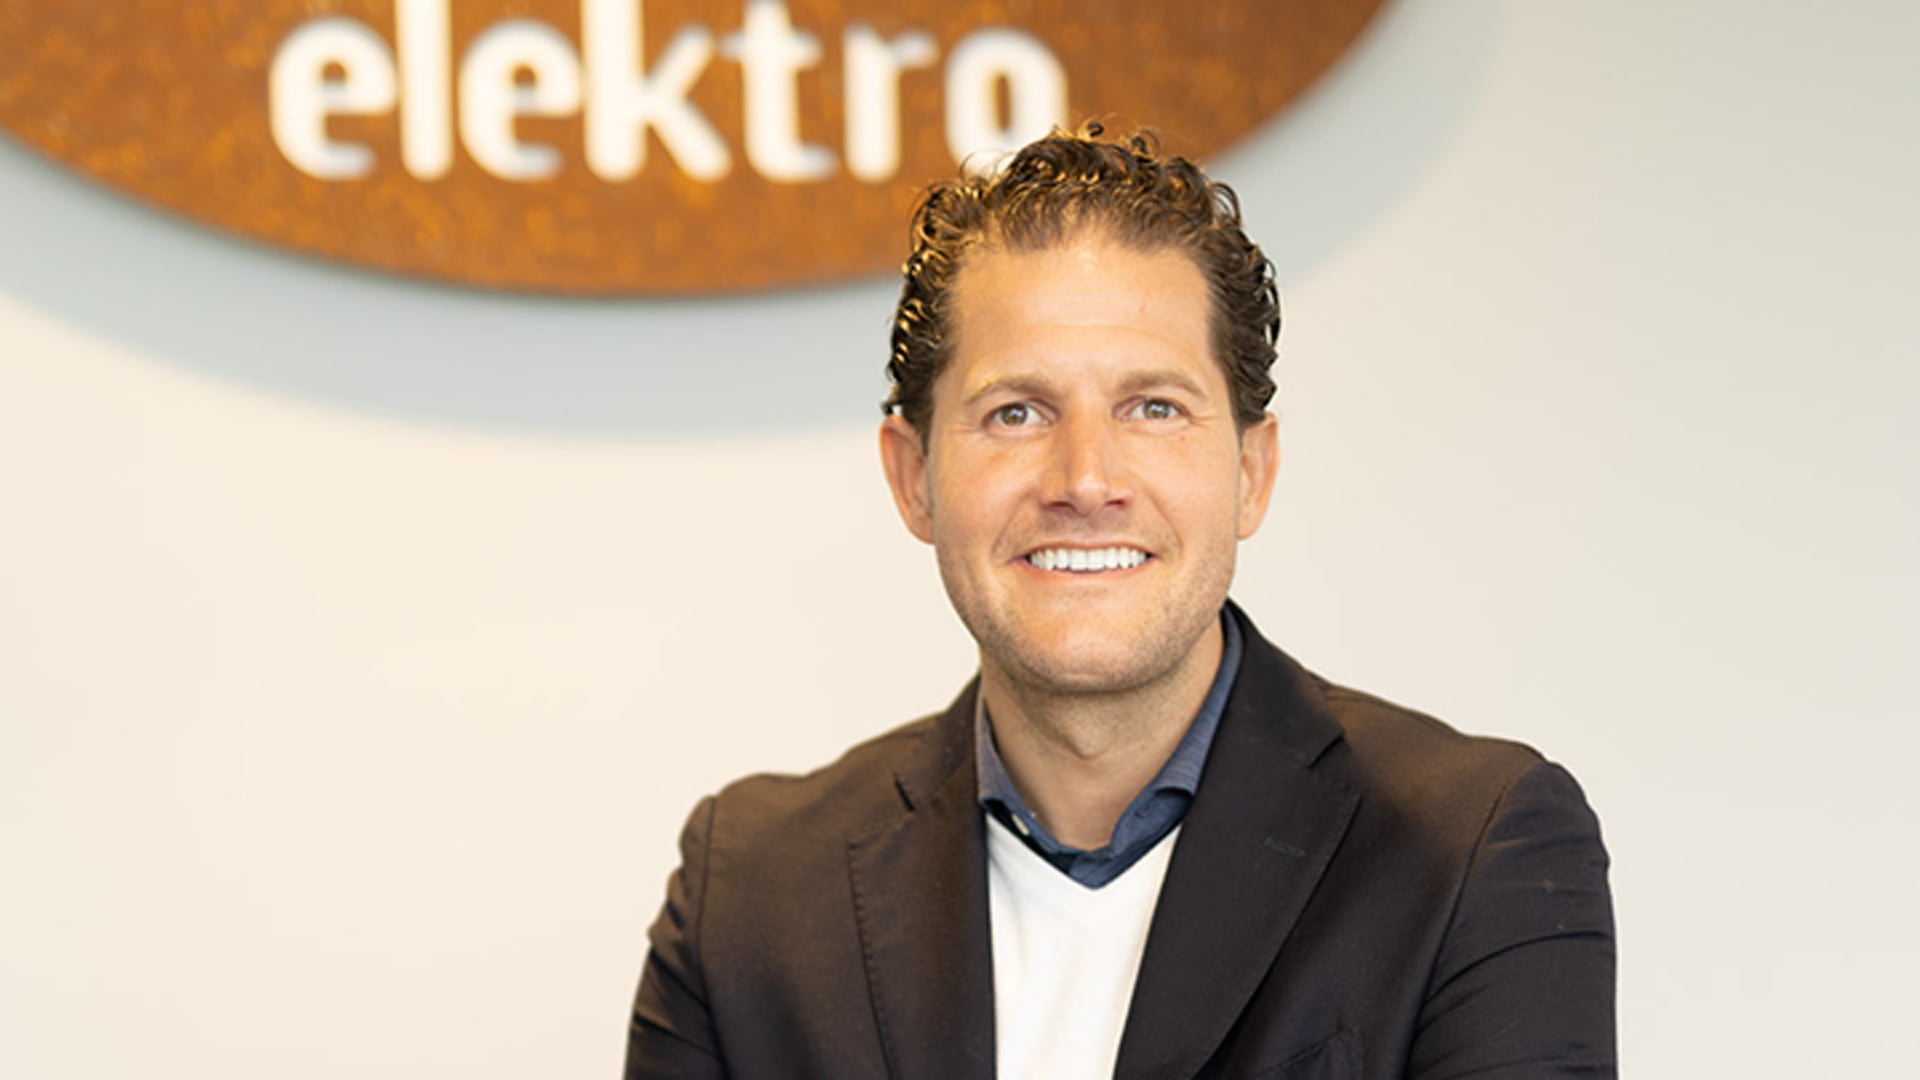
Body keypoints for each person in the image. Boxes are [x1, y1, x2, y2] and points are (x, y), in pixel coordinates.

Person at [624, 125, 1615, 1079]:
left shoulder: (1470, 853)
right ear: (913, 477)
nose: (1087, 480)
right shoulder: (747, 897)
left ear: (1253, 472)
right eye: (1017, 411)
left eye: (1153, 408)